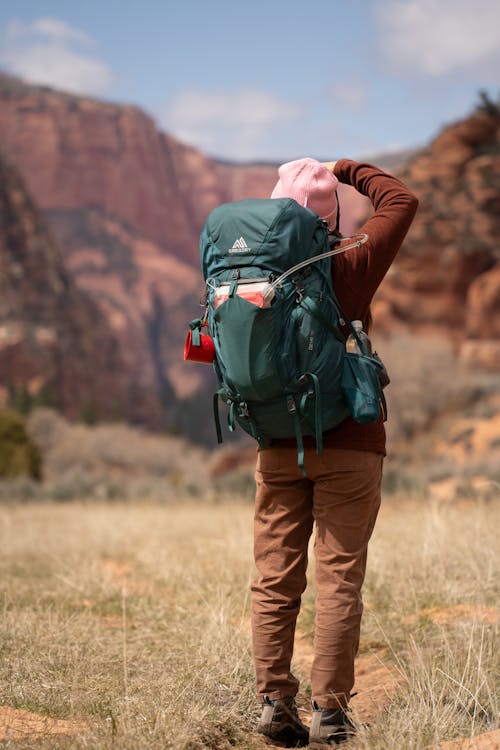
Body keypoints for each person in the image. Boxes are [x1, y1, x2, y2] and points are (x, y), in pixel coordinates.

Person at [252, 157, 418, 747]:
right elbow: (400, 201)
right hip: (350, 440)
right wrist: (346, 167)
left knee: (275, 577)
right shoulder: (348, 260)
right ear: (332, 216)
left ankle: (274, 700)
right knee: (340, 576)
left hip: (276, 442)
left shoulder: (252, 271)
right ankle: (330, 712)